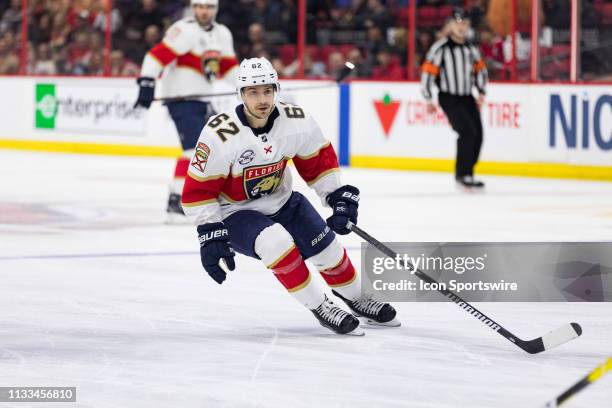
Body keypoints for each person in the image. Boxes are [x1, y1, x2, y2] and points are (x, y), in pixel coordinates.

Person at [181, 57, 399, 335]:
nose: (262, 99)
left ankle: (357, 298)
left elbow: (317, 163)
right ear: (241, 95)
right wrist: (209, 232)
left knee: (327, 248)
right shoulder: (220, 134)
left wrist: (336, 197)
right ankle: (321, 306)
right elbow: (197, 192)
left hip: (283, 202)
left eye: (268, 91)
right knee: (276, 242)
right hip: (235, 212)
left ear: (276, 89)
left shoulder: (296, 121)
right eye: (253, 92)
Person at [134, 0, 239, 221]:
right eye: (200, 6)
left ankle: (188, 197)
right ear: (193, 8)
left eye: (209, 7)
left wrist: (246, 85)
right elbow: (156, 56)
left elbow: (228, 67)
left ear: (216, 9)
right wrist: (146, 82)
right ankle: (177, 200)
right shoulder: (182, 30)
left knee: (212, 148)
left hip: (202, 100)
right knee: (194, 150)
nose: (204, 11)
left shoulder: (222, 34)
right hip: (181, 99)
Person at [420, 8, 488, 189]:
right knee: (467, 132)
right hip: (448, 97)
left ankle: (467, 172)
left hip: (467, 96)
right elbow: (428, 73)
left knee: (478, 135)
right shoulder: (440, 48)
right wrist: (428, 98)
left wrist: (481, 91)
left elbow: (480, 70)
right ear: (450, 25)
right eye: (457, 23)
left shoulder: (471, 48)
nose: (461, 27)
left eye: (464, 23)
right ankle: (463, 174)